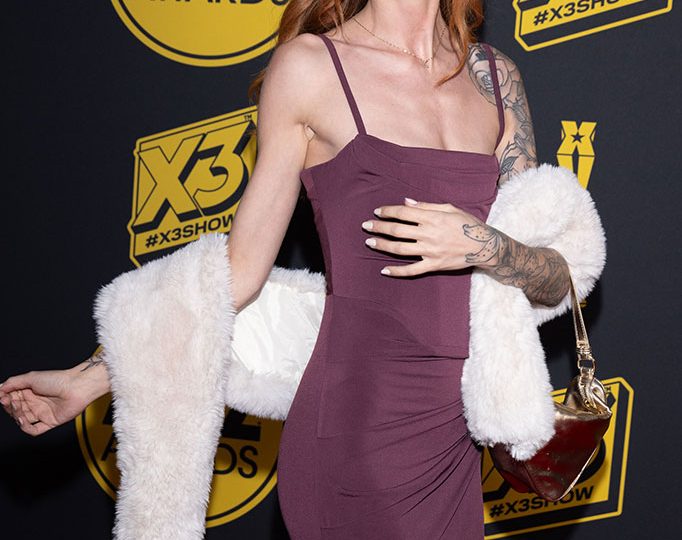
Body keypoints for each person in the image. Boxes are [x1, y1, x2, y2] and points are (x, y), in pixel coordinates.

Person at [1, 1, 574, 537]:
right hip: (356, 428)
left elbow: (556, 279)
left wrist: (483, 245)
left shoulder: (495, 77)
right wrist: (94, 375)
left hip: (456, 437)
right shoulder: (311, 67)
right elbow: (236, 274)